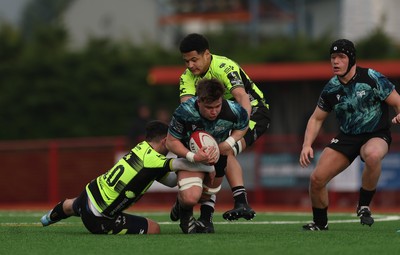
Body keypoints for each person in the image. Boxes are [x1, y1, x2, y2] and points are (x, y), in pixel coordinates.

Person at [40, 120, 215, 234]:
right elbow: (179, 164)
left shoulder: (142, 148)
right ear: (164, 141)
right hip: (99, 217)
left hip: (88, 193)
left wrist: (184, 186)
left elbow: (170, 182)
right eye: (172, 141)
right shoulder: (152, 159)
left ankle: (46, 219)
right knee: (154, 229)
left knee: (71, 205)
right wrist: (206, 164)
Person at [299, 39, 400, 231]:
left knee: (373, 154)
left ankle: (363, 205)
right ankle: (320, 223)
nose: (335, 61)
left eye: (341, 57)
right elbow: (316, 119)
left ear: (351, 59)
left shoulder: (372, 77)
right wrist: (306, 145)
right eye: (333, 57)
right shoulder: (331, 88)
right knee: (316, 179)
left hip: (376, 134)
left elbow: (397, 101)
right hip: (347, 137)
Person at [177, 33, 271, 221]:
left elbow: (242, 97)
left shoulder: (224, 67)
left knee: (223, 151)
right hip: (219, 117)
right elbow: (188, 111)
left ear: (207, 54)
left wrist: (240, 127)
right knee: (212, 152)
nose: (190, 65)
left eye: (194, 60)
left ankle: (237, 203)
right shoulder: (186, 77)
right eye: (186, 61)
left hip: (253, 113)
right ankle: (205, 209)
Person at [167, 78, 249, 233]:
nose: (214, 111)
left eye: (217, 106)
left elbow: (243, 126)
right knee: (191, 198)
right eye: (209, 107)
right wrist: (193, 156)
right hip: (190, 157)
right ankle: (185, 213)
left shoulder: (234, 110)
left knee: (206, 196)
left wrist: (228, 143)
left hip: (218, 157)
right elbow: (171, 142)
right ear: (199, 102)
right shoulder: (184, 111)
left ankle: (195, 213)